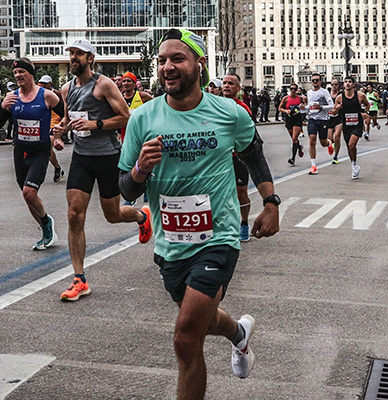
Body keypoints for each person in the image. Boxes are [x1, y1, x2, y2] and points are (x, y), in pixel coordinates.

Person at [118, 28, 279, 400]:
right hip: (171, 245)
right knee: (203, 321)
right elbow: (124, 188)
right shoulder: (143, 119)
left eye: (177, 58)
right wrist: (140, 169)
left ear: (199, 65)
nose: (167, 67)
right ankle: (238, 333)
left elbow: (254, 153)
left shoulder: (227, 113)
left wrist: (271, 203)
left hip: (218, 238)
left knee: (185, 337)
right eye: (162, 60)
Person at [52, 38, 152, 301]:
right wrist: (61, 131)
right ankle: (79, 279)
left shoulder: (103, 84)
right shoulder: (66, 89)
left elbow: (125, 117)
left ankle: (142, 217)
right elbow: (68, 118)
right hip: (81, 158)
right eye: (71, 53)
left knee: (113, 215)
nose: (73, 57)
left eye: (79, 54)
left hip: (107, 156)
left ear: (90, 59)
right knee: (74, 214)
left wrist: (95, 125)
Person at [0, 57, 64, 250]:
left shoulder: (46, 96)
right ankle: (46, 229)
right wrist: (3, 108)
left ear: (31, 74)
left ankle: (46, 223)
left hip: (40, 151)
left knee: (30, 192)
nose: (18, 76)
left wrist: (59, 134)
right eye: (15, 73)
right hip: (20, 152)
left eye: (22, 72)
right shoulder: (12, 97)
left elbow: (65, 116)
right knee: (27, 196)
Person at [222, 73, 253, 242]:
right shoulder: (214, 106)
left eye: (231, 83)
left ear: (238, 88)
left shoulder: (243, 108)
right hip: (220, 158)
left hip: (238, 157)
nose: (226, 86)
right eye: (224, 83)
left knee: (241, 193)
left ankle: (244, 223)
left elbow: (249, 135)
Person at [332, 76, 370, 179]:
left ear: (353, 84)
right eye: (346, 82)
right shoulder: (339, 98)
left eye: (349, 82)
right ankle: (354, 164)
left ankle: (354, 164)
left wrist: (365, 113)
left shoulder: (360, 96)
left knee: (352, 144)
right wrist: (337, 109)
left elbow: (367, 104)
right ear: (343, 84)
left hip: (357, 124)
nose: (347, 84)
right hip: (346, 125)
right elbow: (334, 112)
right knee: (349, 147)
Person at [300, 73, 334, 175]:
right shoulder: (309, 93)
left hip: (323, 119)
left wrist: (321, 107)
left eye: (317, 80)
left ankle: (329, 143)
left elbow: (331, 105)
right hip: (312, 119)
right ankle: (314, 166)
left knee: (322, 142)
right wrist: (303, 108)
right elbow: (310, 106)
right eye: (313, 80)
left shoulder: (324, 92)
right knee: (312, 140)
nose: (315, 82)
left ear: (320, 81)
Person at [37, 74, 66, 182]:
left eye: (45, 83)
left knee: (47, 147)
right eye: (42, 83)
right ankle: (57, 168)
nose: (43, 85)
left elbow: (65, 109)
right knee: (44, 149)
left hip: (55, 124)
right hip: (44, 124)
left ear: (51, 84)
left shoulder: (57, 94)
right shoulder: (39, 95)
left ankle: (57, 169)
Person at [120, 71, 152, 143]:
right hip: (124, 131)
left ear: (134, 84)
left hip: (140, 130)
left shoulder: (142, 96)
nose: (126, 83)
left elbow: (155, 106)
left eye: (129, 81)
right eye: (124, 81)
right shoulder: (119, 98)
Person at [278, 82, 305, 166]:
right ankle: (299, 147)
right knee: (294, 139)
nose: (293, 90)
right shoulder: (286, 98)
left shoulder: (300, 98)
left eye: (295, 89)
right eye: (291, 89)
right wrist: (286, 111)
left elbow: (305, 105)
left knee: (294, 138)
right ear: (289, 90)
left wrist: (302, 105)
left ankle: (293, 158)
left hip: (297, 119)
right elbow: (280, 108)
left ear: (297, 90)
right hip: (289, 119)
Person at [327, 79, 343, 164]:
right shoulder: (328, 95)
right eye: (332, 84)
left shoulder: (340, 95)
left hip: (338, 118)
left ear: (338, 85)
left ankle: (336, 156)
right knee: (329, 138)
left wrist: (339, 107)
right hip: (329, 118)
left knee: (337, 137)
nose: (334, 86)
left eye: (336, 84)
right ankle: (332, 145)